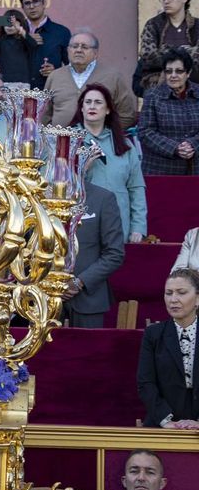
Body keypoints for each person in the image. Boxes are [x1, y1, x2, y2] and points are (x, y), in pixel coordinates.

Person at [74, 83, 147, 244]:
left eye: (98, 102)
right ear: (81, 108)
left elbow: (136, 188)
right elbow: (56, 186)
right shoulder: (68, 141)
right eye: (88, 102)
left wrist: (138, 227)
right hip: (82, 222)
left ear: (107, 110)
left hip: (118, 221)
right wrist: (81, 170)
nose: (92, 106)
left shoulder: (125, 145)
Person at [140, 269, 199, 428]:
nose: (173, 299)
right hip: (162, 423)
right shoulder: (153, 334)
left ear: (198, 298)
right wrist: (166, 421)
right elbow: (146, 383)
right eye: (169, 293)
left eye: (181, 293)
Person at [43, 29, 135, 128]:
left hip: (98, 142)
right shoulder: (55, 76)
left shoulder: (113, 77)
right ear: (68, 50)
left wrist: (106, 135)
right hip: (60, 141)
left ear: (95, 53)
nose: (78, 50)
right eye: (74, 46)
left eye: (84, 47)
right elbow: (44, 113)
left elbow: (126, 116)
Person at [62, 181, 124, 328]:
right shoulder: (41, 196)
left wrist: (79, 282)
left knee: (88, 350)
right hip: (46, 299)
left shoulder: (103, 198)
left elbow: (114, 253)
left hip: (88, 298)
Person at [140, 50, 199, 176]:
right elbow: (145, 132)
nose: (173, 75)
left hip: (195, 168)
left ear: (188, 73)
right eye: (168, 71)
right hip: (161, 169)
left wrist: (193, 144)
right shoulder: (152, 96)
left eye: (179, 71)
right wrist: (175, 148)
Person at [139, 0, 199, 92]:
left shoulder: (197, 25)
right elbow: (148, 55)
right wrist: (185, 51)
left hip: (195, 87)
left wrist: (166, 50)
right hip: (160, 87)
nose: (166, 1)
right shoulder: (153, 24)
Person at [16, 0, 70, 88]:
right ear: (22, 7)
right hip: (18, 93)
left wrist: (56, 72)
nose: (32, 6)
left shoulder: (61, 32)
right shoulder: (14, 33)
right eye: (27, 3)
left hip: (50, 91)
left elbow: (72, 67)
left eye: (36, 1)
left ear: (44, 3)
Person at [0, 8, 32, 85]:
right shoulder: (1, 41)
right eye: (6, 23)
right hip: (5, 81)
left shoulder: (25, 40)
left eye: (13, 24)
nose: (9, 27)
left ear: (21, 24)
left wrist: (21, 31)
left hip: (24, 82)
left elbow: (33, 45)